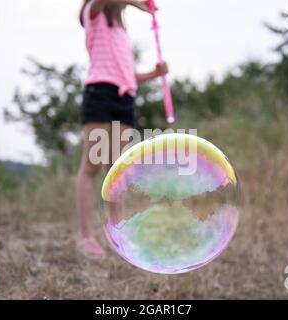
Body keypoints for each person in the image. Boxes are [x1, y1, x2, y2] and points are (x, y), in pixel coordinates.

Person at [76, 0, 169, 259]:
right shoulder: (92, 13)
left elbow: (127, 72)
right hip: (100, 93)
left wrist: (154, 73)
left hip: (124, 98)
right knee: (92, 166)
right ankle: (86, 237)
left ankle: (120, 235)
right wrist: (136, 2)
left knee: (116, 169)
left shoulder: (121, 31)